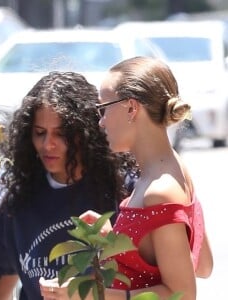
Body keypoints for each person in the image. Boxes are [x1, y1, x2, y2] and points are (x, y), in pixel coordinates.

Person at [39, 57, 213, 300]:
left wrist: (86, 295)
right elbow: (202, 264)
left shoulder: (160, 191)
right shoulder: (173, 170)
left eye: (103, 109)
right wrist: (117, 241)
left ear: (131, 108)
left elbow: (181, 294)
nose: (100, 122)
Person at [0, 71, 133, 300]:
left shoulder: (124, 191)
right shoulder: (15, 206)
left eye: (61, 134)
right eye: (39, 133)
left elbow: (163, 283)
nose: (48, 145)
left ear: (88, 132)